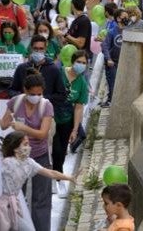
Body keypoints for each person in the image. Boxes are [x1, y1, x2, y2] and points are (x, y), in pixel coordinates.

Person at [0, 131, 76, 231]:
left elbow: (50, 173)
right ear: (15, 148)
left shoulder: (29, 162)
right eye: (25, 144)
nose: (29, 147)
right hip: (1, 206)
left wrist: (69, 177)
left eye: (28, 144)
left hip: (14, 204)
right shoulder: (6, 163)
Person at [0, 74, 55, 231]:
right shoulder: (15, 102)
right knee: (14, 197)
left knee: (41, 199)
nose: (36, 97)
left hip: (40, 155)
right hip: (17, 157)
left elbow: (42, 133)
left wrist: (24, 129)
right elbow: (3, 125)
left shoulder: (46, 106)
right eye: (32, 94)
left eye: (39, 94)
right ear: (25, 90)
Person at [53, 50, 89, 196]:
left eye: (84, 63)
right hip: (51, 117)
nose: (81, 65)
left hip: (66, 120)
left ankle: (58, 178)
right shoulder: (59, 73)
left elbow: (79, 107)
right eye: (78, 62)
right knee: (53, 149)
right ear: (72, 61)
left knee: (61, 151)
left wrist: (75, 129)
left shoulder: (82, 83)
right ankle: (53, 177)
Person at [101, 9, 128, 108]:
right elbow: (105, 46)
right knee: (112, 83)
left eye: (127, 17)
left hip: (124, 63)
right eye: (124, 17)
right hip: (112, 63)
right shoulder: (112, 32)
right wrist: (108, 59)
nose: (126, 19)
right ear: (118, 19)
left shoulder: (129, 31)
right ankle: (110, 101)